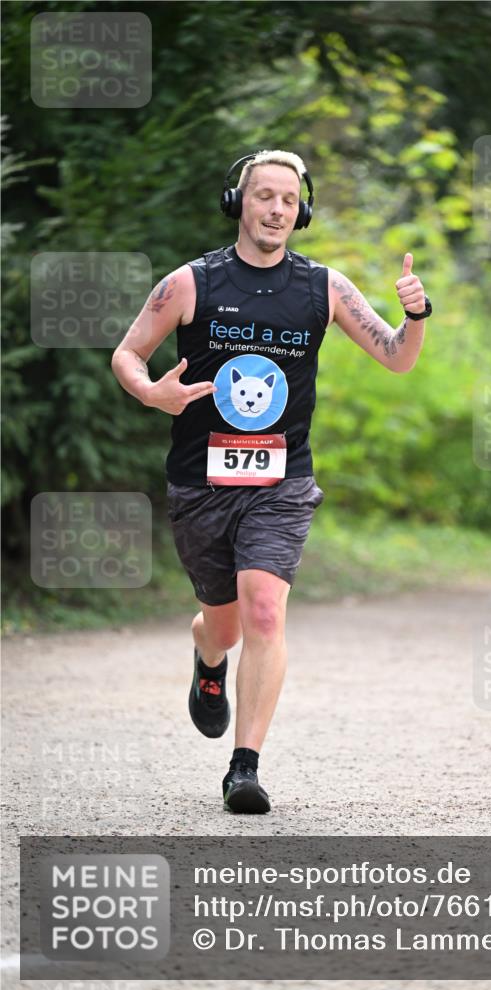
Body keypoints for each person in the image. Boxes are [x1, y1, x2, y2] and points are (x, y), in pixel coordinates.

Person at [111, 149, 431, 814]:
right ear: (240, 202)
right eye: (265, 196)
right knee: (223, 627)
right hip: (200, 483)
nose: (277, 209)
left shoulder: (324, 289)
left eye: (289, 199)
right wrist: (152, 394)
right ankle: (207, 658)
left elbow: (397, 358)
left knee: (264, 610)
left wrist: (417, 315)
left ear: (302, 209)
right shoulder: (191, 283)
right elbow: (127, 353)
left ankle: (244, 768)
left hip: (280, 481)